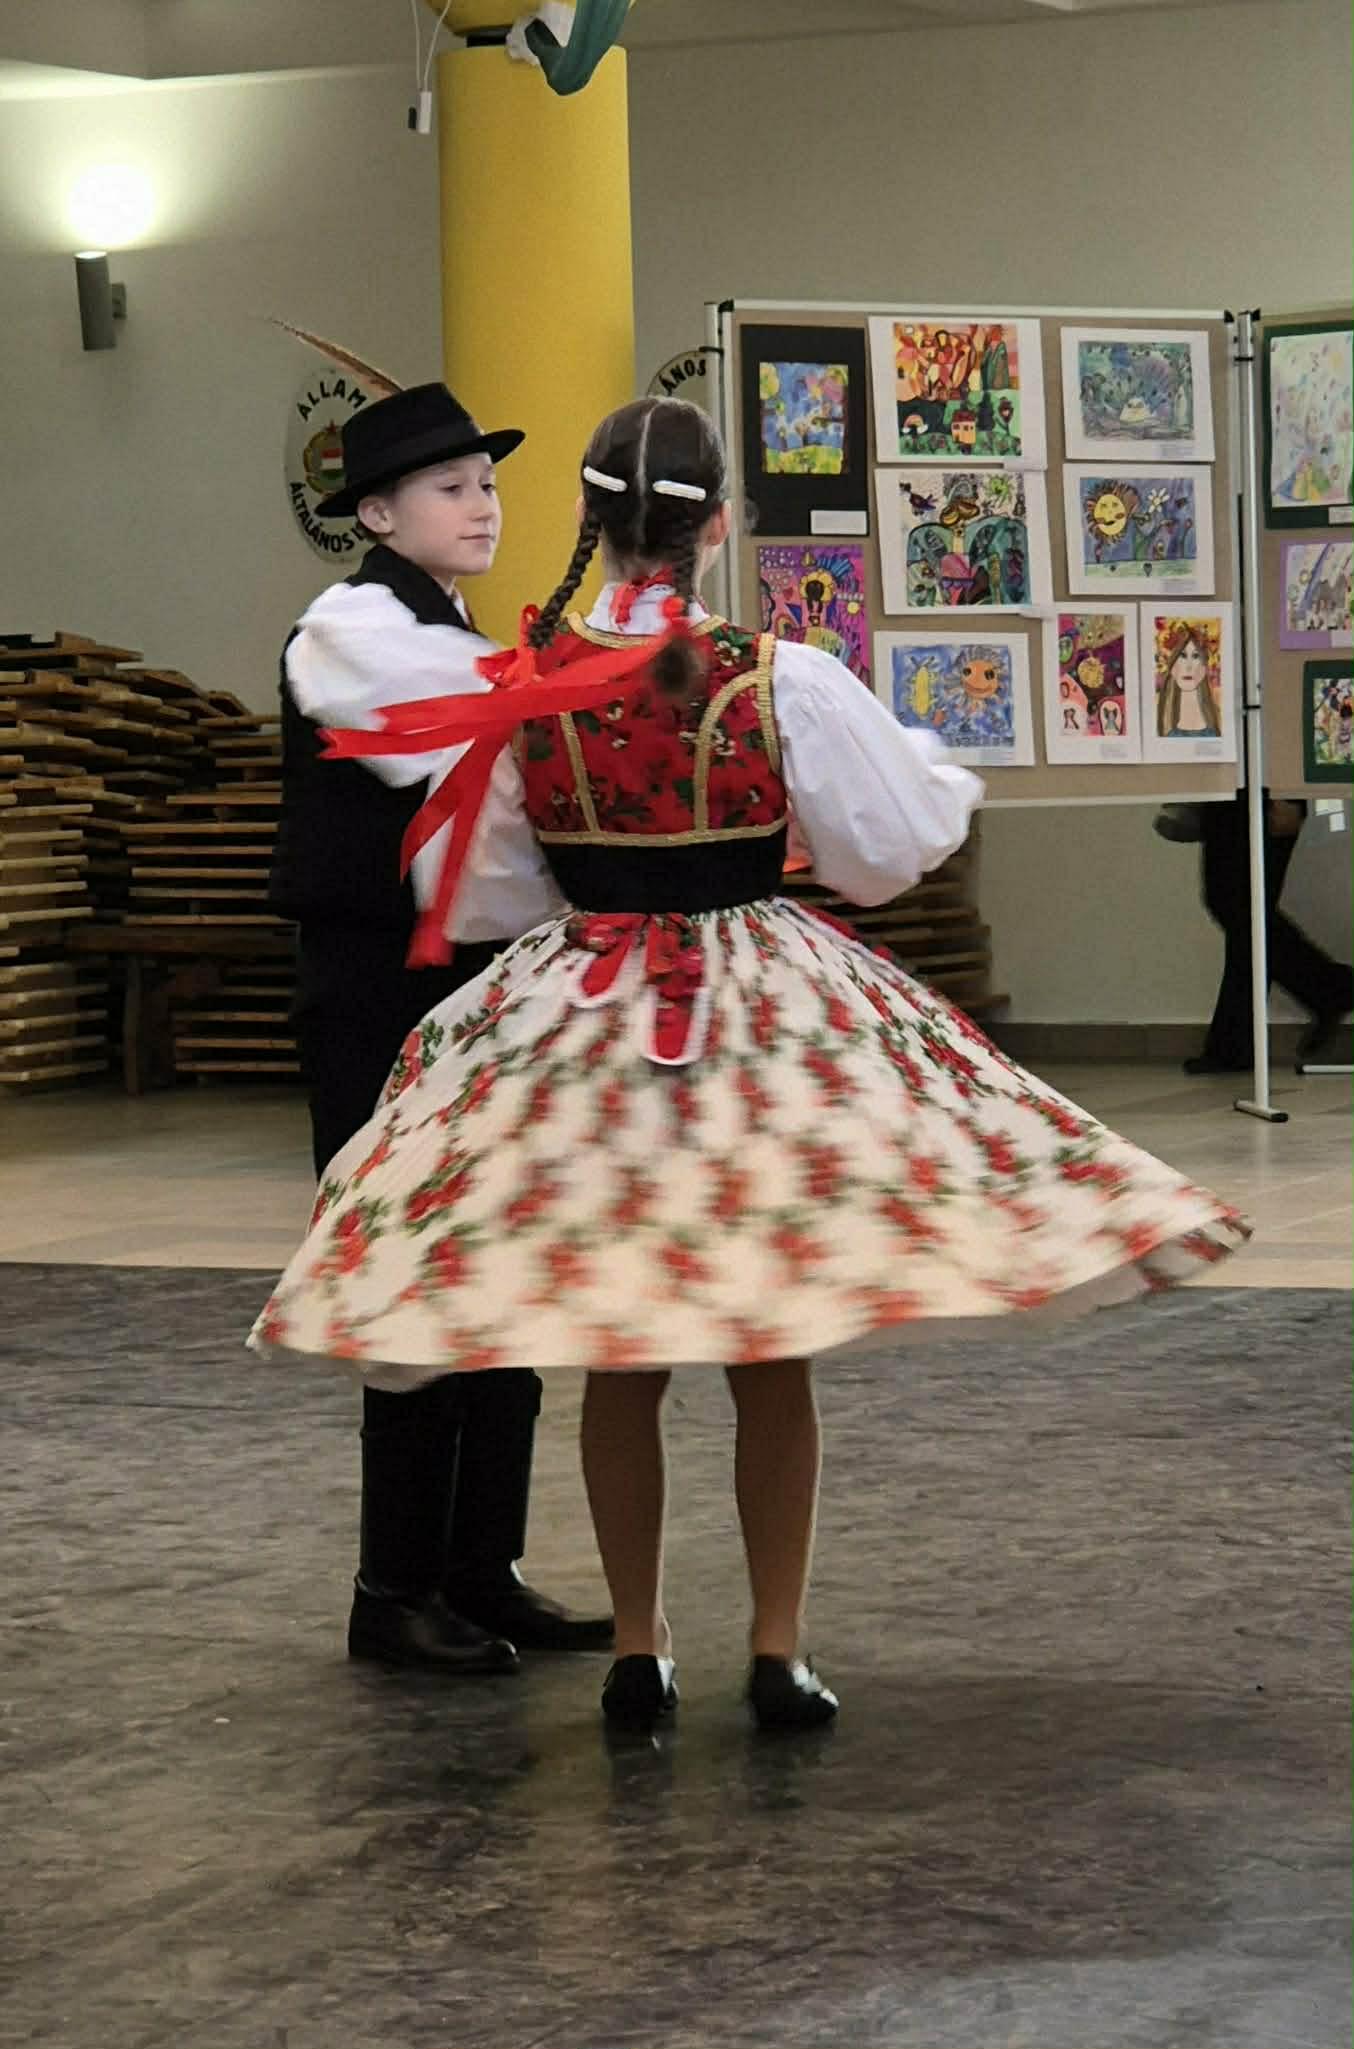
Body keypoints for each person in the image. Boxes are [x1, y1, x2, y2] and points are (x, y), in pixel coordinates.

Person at [253, 398, 1248, 1735]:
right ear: (719, 526)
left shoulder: (524, 686)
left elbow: (487, 888)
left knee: (620, 1340)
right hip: (754, 1004)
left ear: (587, 520)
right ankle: (775, 1648)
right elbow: (884, 852)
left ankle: (639, 1648)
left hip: (583, 1010)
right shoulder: (775, 674)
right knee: (767, 1337)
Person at [270, 378, 613, 1673]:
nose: (483, 507)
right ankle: (394, 1587)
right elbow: (484, 726)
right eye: (451, 488)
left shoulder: (451, 629)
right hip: (381, 997)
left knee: (498, 1268)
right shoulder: (350, 629)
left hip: (476, 994)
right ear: (376, 514)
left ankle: (481, 1570)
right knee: (413, 1275)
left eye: (488, 485)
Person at [1181, 790, 1354, 1074]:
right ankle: (1331, 989)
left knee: (1241, 910)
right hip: (1238, 792)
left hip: (1258, 792)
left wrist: (1287, 795)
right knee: (1245, 916)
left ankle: (1332, 989)